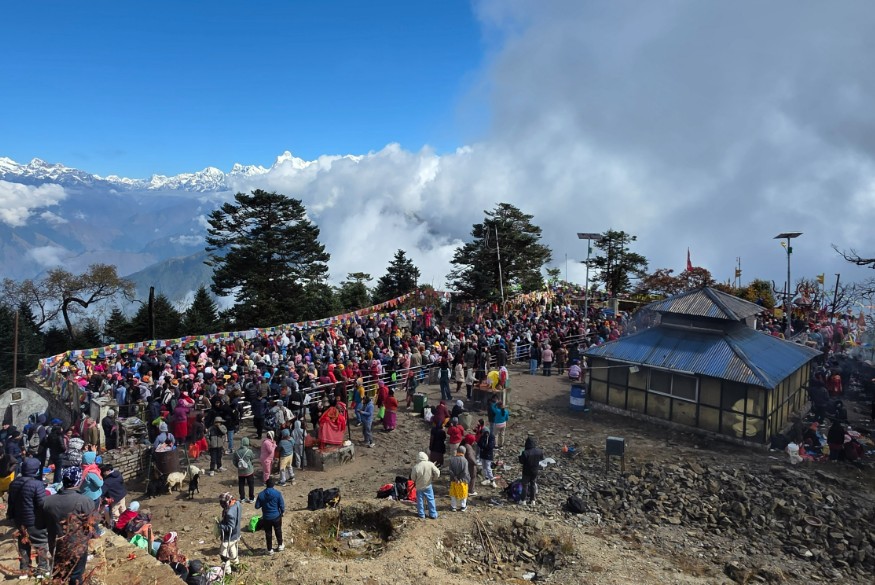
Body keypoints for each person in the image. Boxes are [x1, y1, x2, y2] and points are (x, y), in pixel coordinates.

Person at [42, 466, 97, 585]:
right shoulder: (85, 501)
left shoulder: (47, 501)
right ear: (79, 481)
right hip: (77, 545)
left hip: (56, 544)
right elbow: (91, 524)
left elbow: (41, 524)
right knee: (76, 575)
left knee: (58, 573)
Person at [7, 457, 50, 579]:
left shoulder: (14, 483)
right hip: (34, 520)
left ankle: (24, 570)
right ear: (35, 470)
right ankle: (42, 570)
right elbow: (42, 504)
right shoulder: (37, 484)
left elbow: (11, 502)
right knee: (41, 543)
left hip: (19, 520)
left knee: (23, 544)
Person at [255, 478, 285, 554]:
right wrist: (282, 512)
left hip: (266, 517)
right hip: (276, 516)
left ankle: (269, 549)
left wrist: (263, 503)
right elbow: (282, 505)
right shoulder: (277, 493)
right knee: (278, 530)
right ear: (273, 485)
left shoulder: (261, 494)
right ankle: (280, 545)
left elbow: (257, 506)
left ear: (266, 484)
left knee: (268, 533)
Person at [217, 492, 242, 574]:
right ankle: (237, 564)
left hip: (229, 537)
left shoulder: (229, 513)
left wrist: (220, 525)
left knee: (223, 554)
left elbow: (230, 527)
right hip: (237, 534)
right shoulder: (237, 503)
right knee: (232, 548)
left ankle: (228, 571)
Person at [410, 452, 440, 520]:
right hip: (428, 485)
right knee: (431, 499)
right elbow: (437, 472)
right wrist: (434, 478)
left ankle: (421, 514)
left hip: (419, 487)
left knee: (420, 501)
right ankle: (433, 514)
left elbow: (412, 478)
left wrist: (416, 481)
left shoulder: (416, 467)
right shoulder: (430, 464)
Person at [519, 437, 545, 505]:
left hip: (526, 471)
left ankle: (523, 500)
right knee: (533, 484)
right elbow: (542, 458)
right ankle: (532, 500)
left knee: (525, 485)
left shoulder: (525, 452)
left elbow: (521, 461)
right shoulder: (540, 451)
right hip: (535, 471)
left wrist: (520, 455)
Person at [232, 437, 255, 503]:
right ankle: (251, 498)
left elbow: (234, 461)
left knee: (241, 484)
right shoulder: (249, 451)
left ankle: (242, 498)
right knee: (251, 484)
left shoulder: (236, 452)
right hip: (249, 471)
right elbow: (252, 458)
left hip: (240, 472)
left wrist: (238, 466)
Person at [448, 447, 470, 512]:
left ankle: (453, 507)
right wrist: (460, 479)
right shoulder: (465, 460)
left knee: (453, 493)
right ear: (464, 452)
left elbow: (450, 470)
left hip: (453, 480)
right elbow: (465, 472)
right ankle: (463, 506)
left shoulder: (451, 459)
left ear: (457, 451)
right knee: (463, 493)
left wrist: (455, 478)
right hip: (462, 480)